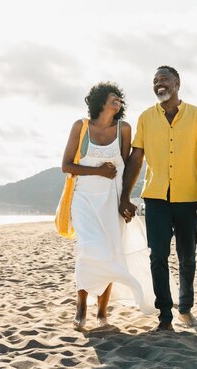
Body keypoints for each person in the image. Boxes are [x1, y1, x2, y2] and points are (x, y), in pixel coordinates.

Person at [119, 66, 197, 332]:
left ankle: (185, 309)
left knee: (187, 257)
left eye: (163, 79)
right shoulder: (146, 118)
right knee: (157, 256)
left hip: (188, 198)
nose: (158, 84)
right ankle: (165, 315)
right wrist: (125, 196)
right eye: (154, 81)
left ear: (177, 83)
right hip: (156, 199)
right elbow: (136, 158)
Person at [61, 82, 154, 331]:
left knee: (112, 251)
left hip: (112, 199)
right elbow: (67, 165)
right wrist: (99, 170)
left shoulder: (124, 129)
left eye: (120, 99)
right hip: (84, 200)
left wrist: (126, 199)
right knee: (90, 249)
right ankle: (81, 307)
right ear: (100, 100)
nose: (118, 101)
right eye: (113, 97)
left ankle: (102, 312)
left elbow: (126, 168)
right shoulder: (81, 127)